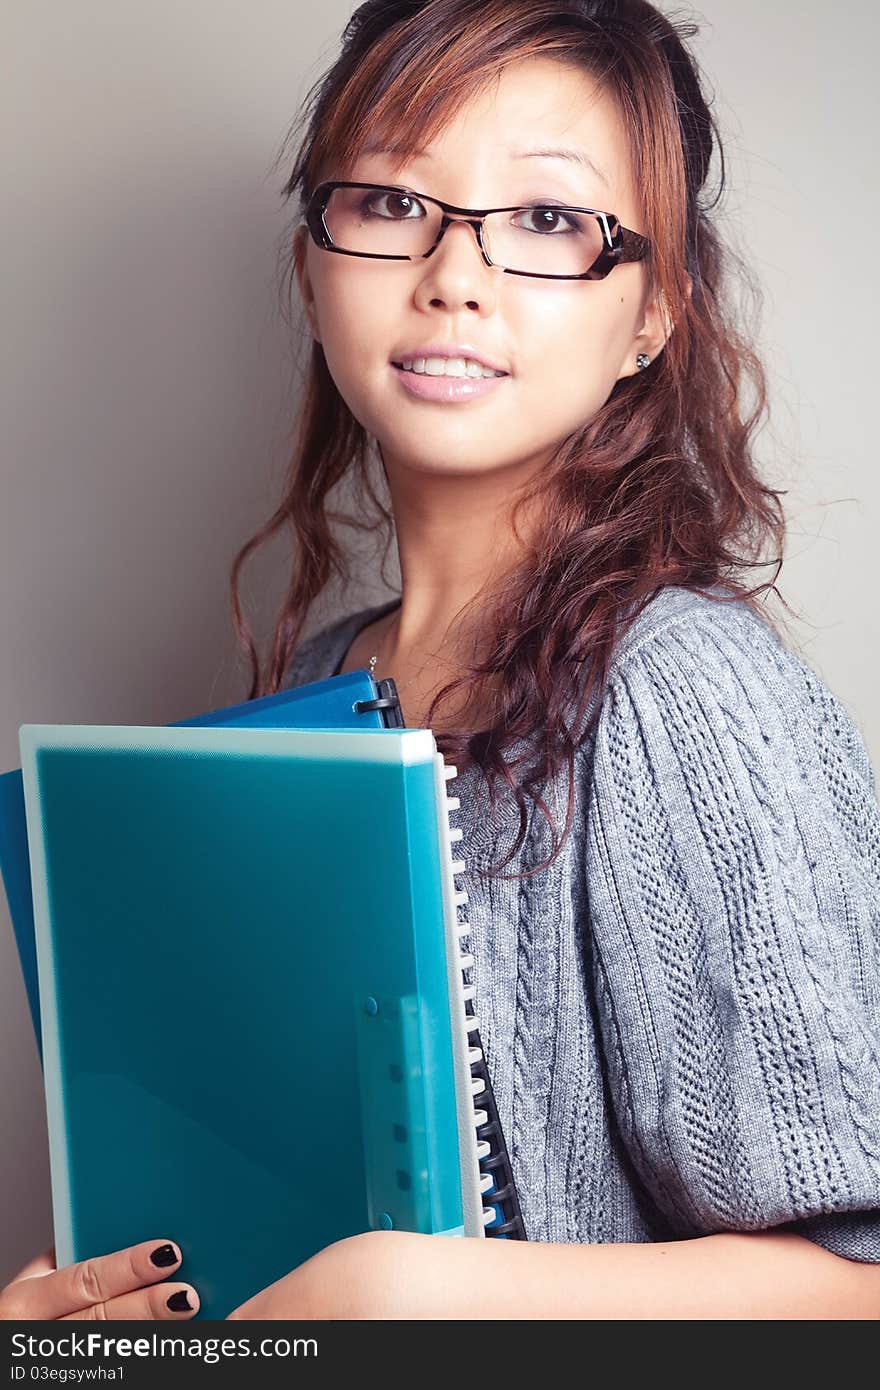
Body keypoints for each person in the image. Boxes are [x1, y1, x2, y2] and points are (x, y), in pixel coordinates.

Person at [3, 0, 879, 1321]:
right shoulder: (315, 685)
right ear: (311, 265)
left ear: (653, 314)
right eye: (394, 201)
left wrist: (405, 1290)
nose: (453, 276)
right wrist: (81, 1343)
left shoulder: (682, 688)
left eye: (545, 220)